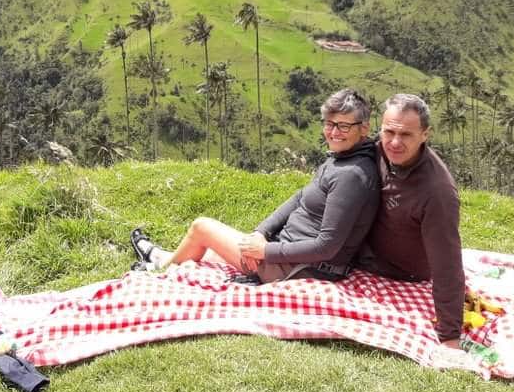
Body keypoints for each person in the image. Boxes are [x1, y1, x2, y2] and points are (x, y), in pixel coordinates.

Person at [131, 88, 379, 283]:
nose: (334, 132)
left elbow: (327, 246)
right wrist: (260, 234)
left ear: (364, 128)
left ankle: (158, 266)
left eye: (343, 126)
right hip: (288, 253)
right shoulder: (342, 158)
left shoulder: (352, 175)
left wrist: (266, 251)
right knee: (210, 251)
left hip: (301, 270)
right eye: (329, 124)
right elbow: (299, 197)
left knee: (201, 228)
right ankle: (160, 258)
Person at [356, 93, 465, 349]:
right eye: (389, 132)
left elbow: (447, 265)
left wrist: (449, 336)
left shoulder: (437, 192)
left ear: (425, 134)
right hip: (358, 249)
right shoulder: (376, 150)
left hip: (398, 273)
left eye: (406, 135)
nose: (394, 142)